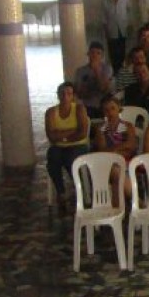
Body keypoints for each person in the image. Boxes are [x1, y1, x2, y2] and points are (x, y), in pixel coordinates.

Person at [45, 82, 90, 215]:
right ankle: (61, 192)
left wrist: (62, 136)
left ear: (73, 96)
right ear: (58, 95)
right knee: (52, 158)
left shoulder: (79, 109)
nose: (65, 96)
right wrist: (71, 132)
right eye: (62, 93)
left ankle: (80, 190)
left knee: (70, 158)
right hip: (58, 146)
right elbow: (51, 136)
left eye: (69, 94)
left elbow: (82, 132)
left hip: (78, 145)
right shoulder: (51, 112)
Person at [74, 42, 114, 118]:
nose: (95, 56)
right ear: (88, 54)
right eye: (92, 53)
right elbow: (79, 94)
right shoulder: (80, 71)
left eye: (98, 53)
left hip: (105, 106)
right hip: (88, 106)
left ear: (102, 56)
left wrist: (97, 71)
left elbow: (104, 89)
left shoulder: (107, 69)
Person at [102, 0, 130, 72]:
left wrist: (129, 24)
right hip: (112, 29)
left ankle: (122, 69)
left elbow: (129, 11)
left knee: (122, 50)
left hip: (122, 28)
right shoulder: (105, 2)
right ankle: (115, 69)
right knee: (113, 51)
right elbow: (104, 17)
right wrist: (106, 30)